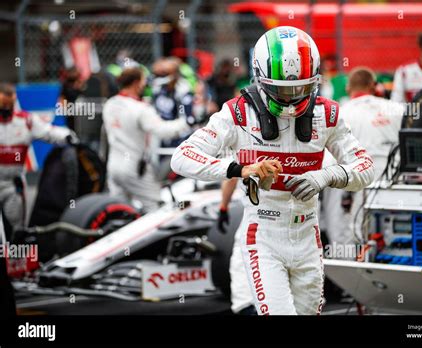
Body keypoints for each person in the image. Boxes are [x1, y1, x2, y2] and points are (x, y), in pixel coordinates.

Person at [171, 26, 374, 315]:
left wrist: (327, 175)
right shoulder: (238, 112)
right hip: (263, 236)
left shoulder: (327, 114)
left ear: (315, 80)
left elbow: (366, 168)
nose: (291, 98)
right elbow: (182, 157)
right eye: (283, 90)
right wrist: (239, 169)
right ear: (260, 78)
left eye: (300, 88)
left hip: (309, 237)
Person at [322, 67, 405, 254]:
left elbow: (327, 164)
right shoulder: (397, 109)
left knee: (349, 242)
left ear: (348, 89)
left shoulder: (340, 114)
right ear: (374, 86)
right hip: (397, 190)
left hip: (357, 193)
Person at [103, 67, 189, 212]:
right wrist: (186, 122)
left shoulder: (109, 104)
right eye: (143, 81)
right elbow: (163, 130)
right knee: (155, 209)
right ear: (136, 83)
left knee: (121, 212)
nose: (145, 85)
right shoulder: (140, 109)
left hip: (113, 168)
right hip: (134, 168)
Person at [0, 83, 76, 234]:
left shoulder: (26, 121)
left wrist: (69, 137)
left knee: (18, 230)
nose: (6, 108)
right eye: (3, 104)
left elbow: (50, 132)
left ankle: (16, 256)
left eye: (10, 104)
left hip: (13, 185)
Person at [217, 178, 255, 315]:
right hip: (305, 213)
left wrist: (223, 207)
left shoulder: (243, 156)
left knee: (242, 260)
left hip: (260, 215)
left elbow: (231, 176)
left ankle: (247, 306)